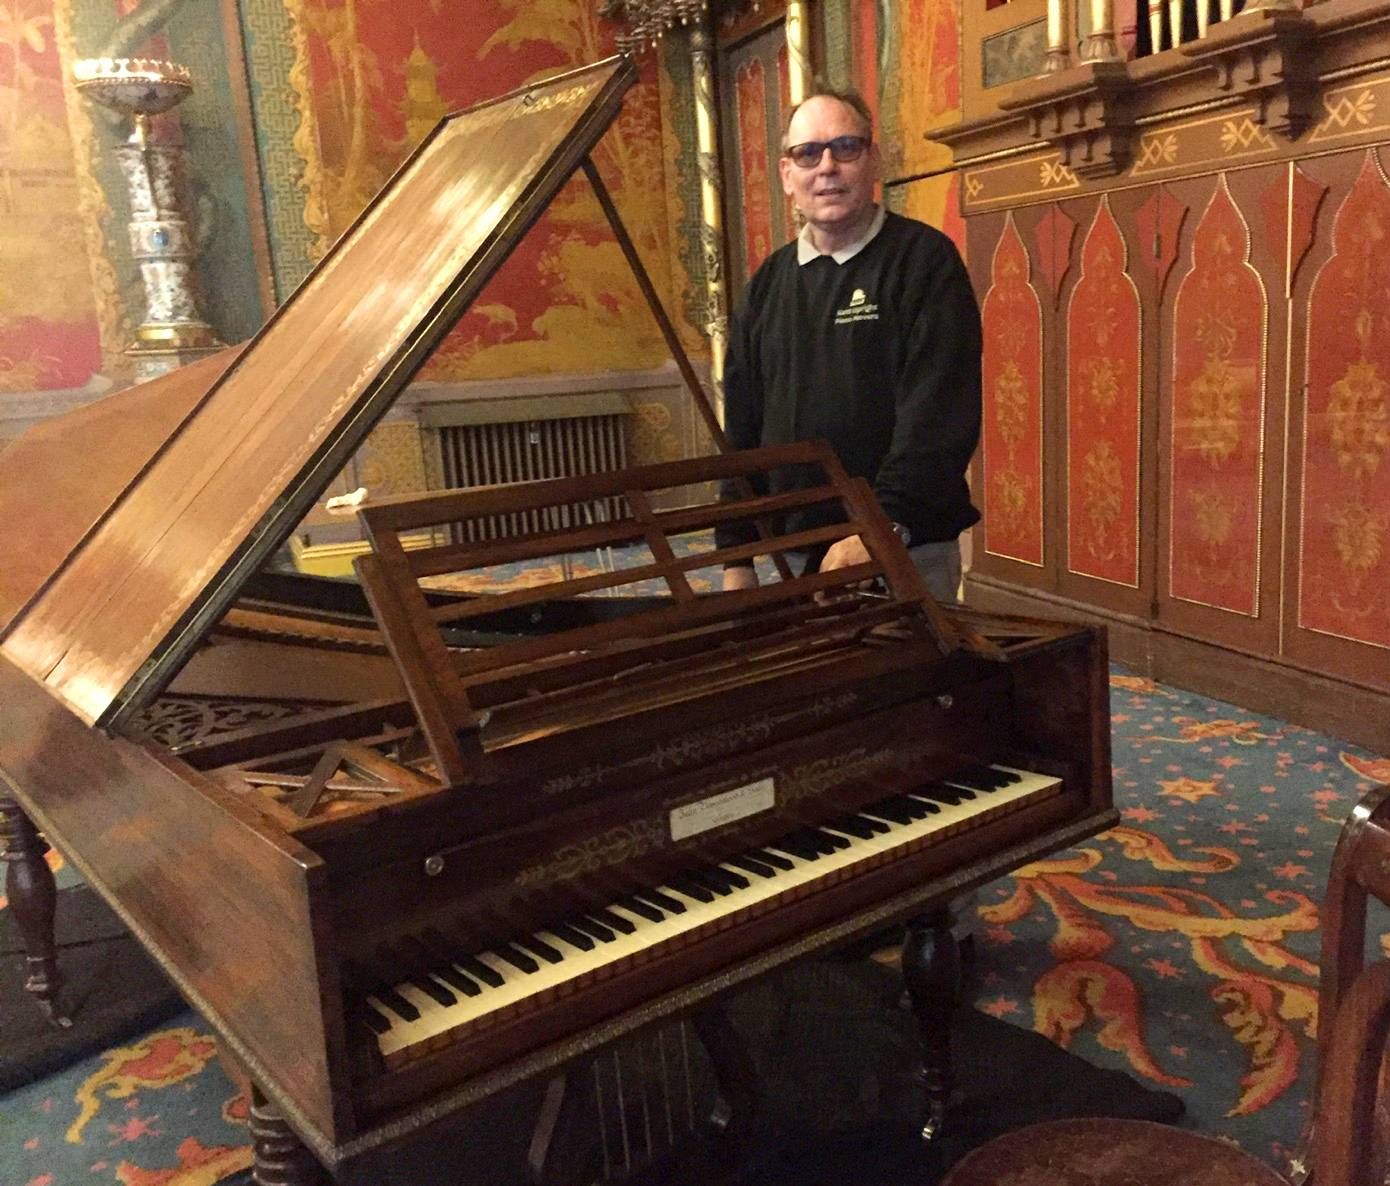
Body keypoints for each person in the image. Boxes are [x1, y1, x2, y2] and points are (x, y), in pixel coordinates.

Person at [718, 87, 982, 604]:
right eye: (808, 153)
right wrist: (736, 556)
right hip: (793, 553)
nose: (827, 166)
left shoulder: (925, 263)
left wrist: (877, 530)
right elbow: (742, 431)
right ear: (787, 176)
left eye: (846, 147)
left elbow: (938, 420)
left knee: (914, 686)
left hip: (905, 548)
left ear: (874, 160)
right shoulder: (766, 285)